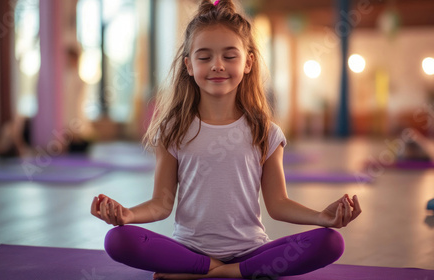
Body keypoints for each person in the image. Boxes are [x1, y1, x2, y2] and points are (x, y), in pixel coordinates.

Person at [91, 0, 361, 279]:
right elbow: (161, 203)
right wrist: (126, 215)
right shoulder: (173, 130)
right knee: (117, 240)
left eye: (230, 56)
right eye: (204, 57)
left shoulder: (266, 132)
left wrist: (322, 217)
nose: (217, 65)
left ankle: (215, 272)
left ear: (248, 62)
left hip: (249, 251)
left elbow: (278, 203)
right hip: (189, 249)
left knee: (330, 242)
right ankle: (221, 271)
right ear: (189, 65)